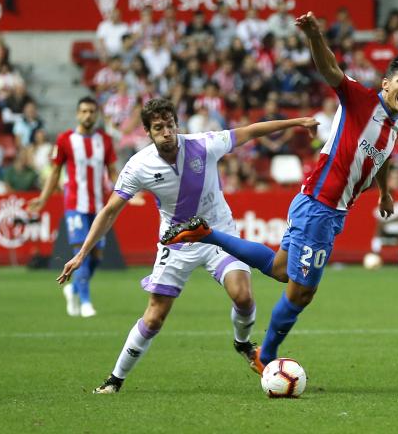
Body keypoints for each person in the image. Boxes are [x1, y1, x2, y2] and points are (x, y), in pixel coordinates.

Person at [161, 11, 398, 375]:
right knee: (301, 293)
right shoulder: (362, 101)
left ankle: (206, 234)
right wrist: (315, 34)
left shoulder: (396, 124)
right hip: (320, 205)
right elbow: (330, 69)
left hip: (330, 210)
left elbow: (383, 158)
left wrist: (384, 193)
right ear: (386, 83)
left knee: (282, 269)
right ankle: (265, 357)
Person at [55, 98, 318, 394]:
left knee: (243, 297)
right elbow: (110, 210)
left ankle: (243, 343)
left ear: (176, 124)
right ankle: (114, 380)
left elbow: (249, 131)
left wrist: (296, 122)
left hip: (218, 233)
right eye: (158, 128)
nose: (166, 132)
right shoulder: (138, 166)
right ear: (148, 132)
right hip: (176, 242)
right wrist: (81, 254)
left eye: (169, 125)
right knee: (154, 316)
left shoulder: (204, 144)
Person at [28, 97, 118, 318]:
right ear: (78, 114)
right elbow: (55, 172)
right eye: (84, 111)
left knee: (97, 254)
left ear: (96, 114)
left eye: (92, 111)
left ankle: (74, 289)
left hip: (98, 206)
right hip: (74, 204)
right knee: (81, 252)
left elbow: (114, 171)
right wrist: (42, 198)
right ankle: (86, 302)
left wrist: (127, 192)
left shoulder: (104, 140)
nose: (88, 115)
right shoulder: (65, 139)